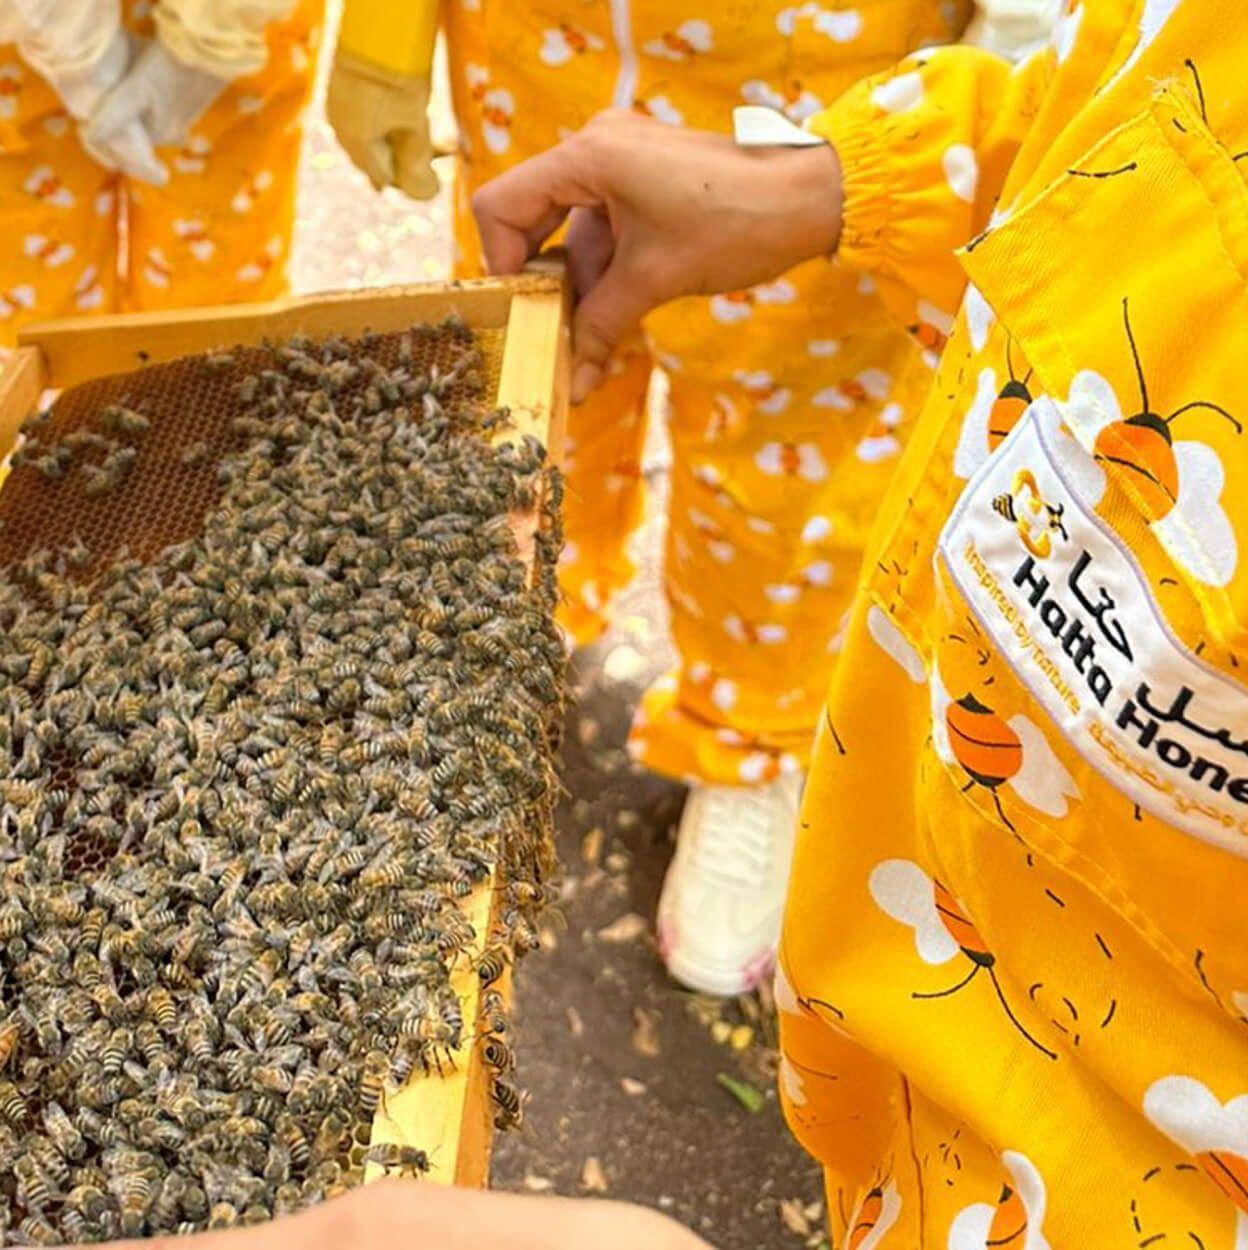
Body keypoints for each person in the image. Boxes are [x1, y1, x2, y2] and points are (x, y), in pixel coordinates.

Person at [115, 0, 1246, 1245]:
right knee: (541, 450)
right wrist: (829, 182)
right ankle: (540, 659)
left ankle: (749, 747)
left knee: (777, 500)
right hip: (627, 115)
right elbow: (1140, 120)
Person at [325, 0, 1057, 995]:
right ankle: (517, 642)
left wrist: (1006, 65)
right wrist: (383, 39)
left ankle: (749, 743)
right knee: (535, 411)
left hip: (819, 96)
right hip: (531, 66)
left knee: (781, 479)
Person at [0, 0, 322, 419]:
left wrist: (216, 36)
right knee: (38, 338)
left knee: (216, 332)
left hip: (247, 36)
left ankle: (214, 453)